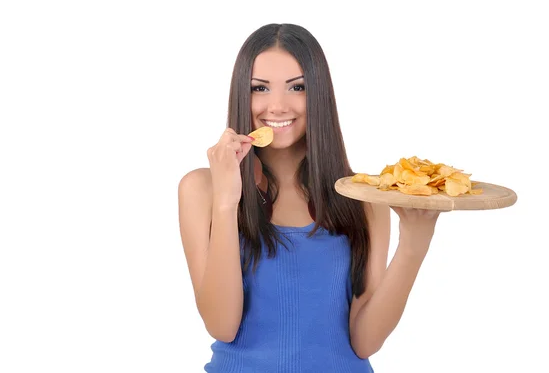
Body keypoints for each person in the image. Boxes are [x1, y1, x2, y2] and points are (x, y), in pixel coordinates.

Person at [178, 23, 441, 373]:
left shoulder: (364, 198)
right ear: (242, 94)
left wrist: (414, 244)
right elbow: (221, 325)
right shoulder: (201, 189)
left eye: (297, 87)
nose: (277, 105)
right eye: (259, 88)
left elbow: (364, 341)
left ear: (318, 94)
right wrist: (227, 201)